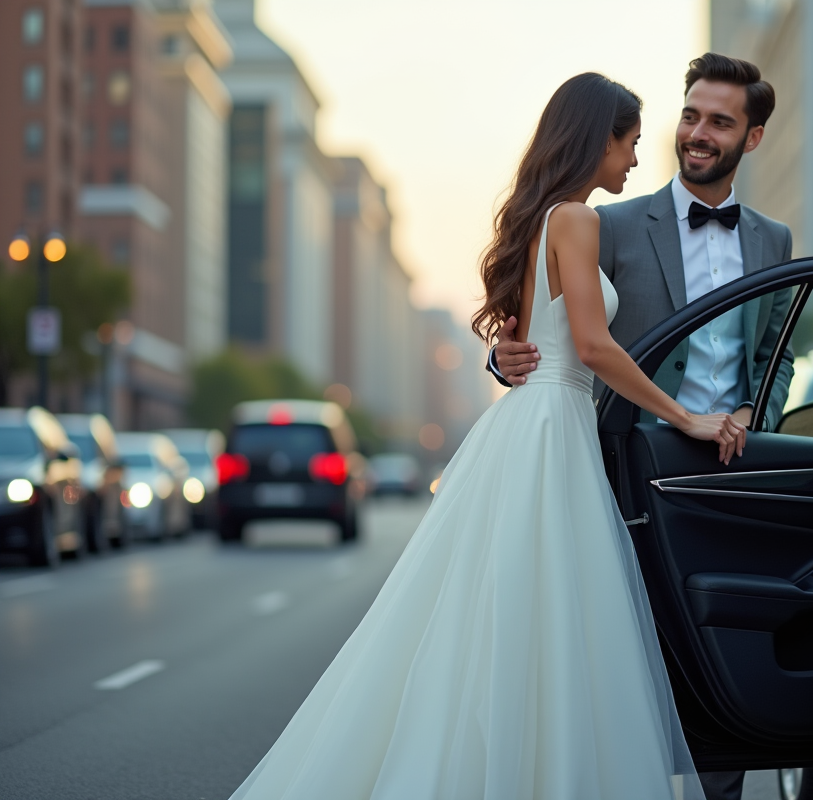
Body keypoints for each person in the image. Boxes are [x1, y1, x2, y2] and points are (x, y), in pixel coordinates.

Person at [227, 73, 741, 800]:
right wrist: (687, 415)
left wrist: (509, 353)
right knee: (557, 621)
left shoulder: (542, 220)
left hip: (530, 427)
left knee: (509, 617)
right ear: (599, 137)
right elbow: (591, 347)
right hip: (553, 426)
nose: (632, 161)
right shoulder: (577, 221)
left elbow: (533, 338)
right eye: (628, 142)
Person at [490, 53, 794, 800]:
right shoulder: (608, 221)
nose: (696, 132)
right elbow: (561, 326)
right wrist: (506, 359)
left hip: (731, 466)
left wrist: (754, 414)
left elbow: (776, 356)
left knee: (730, 648)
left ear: (750, 139)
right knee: (629, 650)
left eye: (718, 121)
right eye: (689, 114)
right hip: (633, 466)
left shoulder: (775, 241)